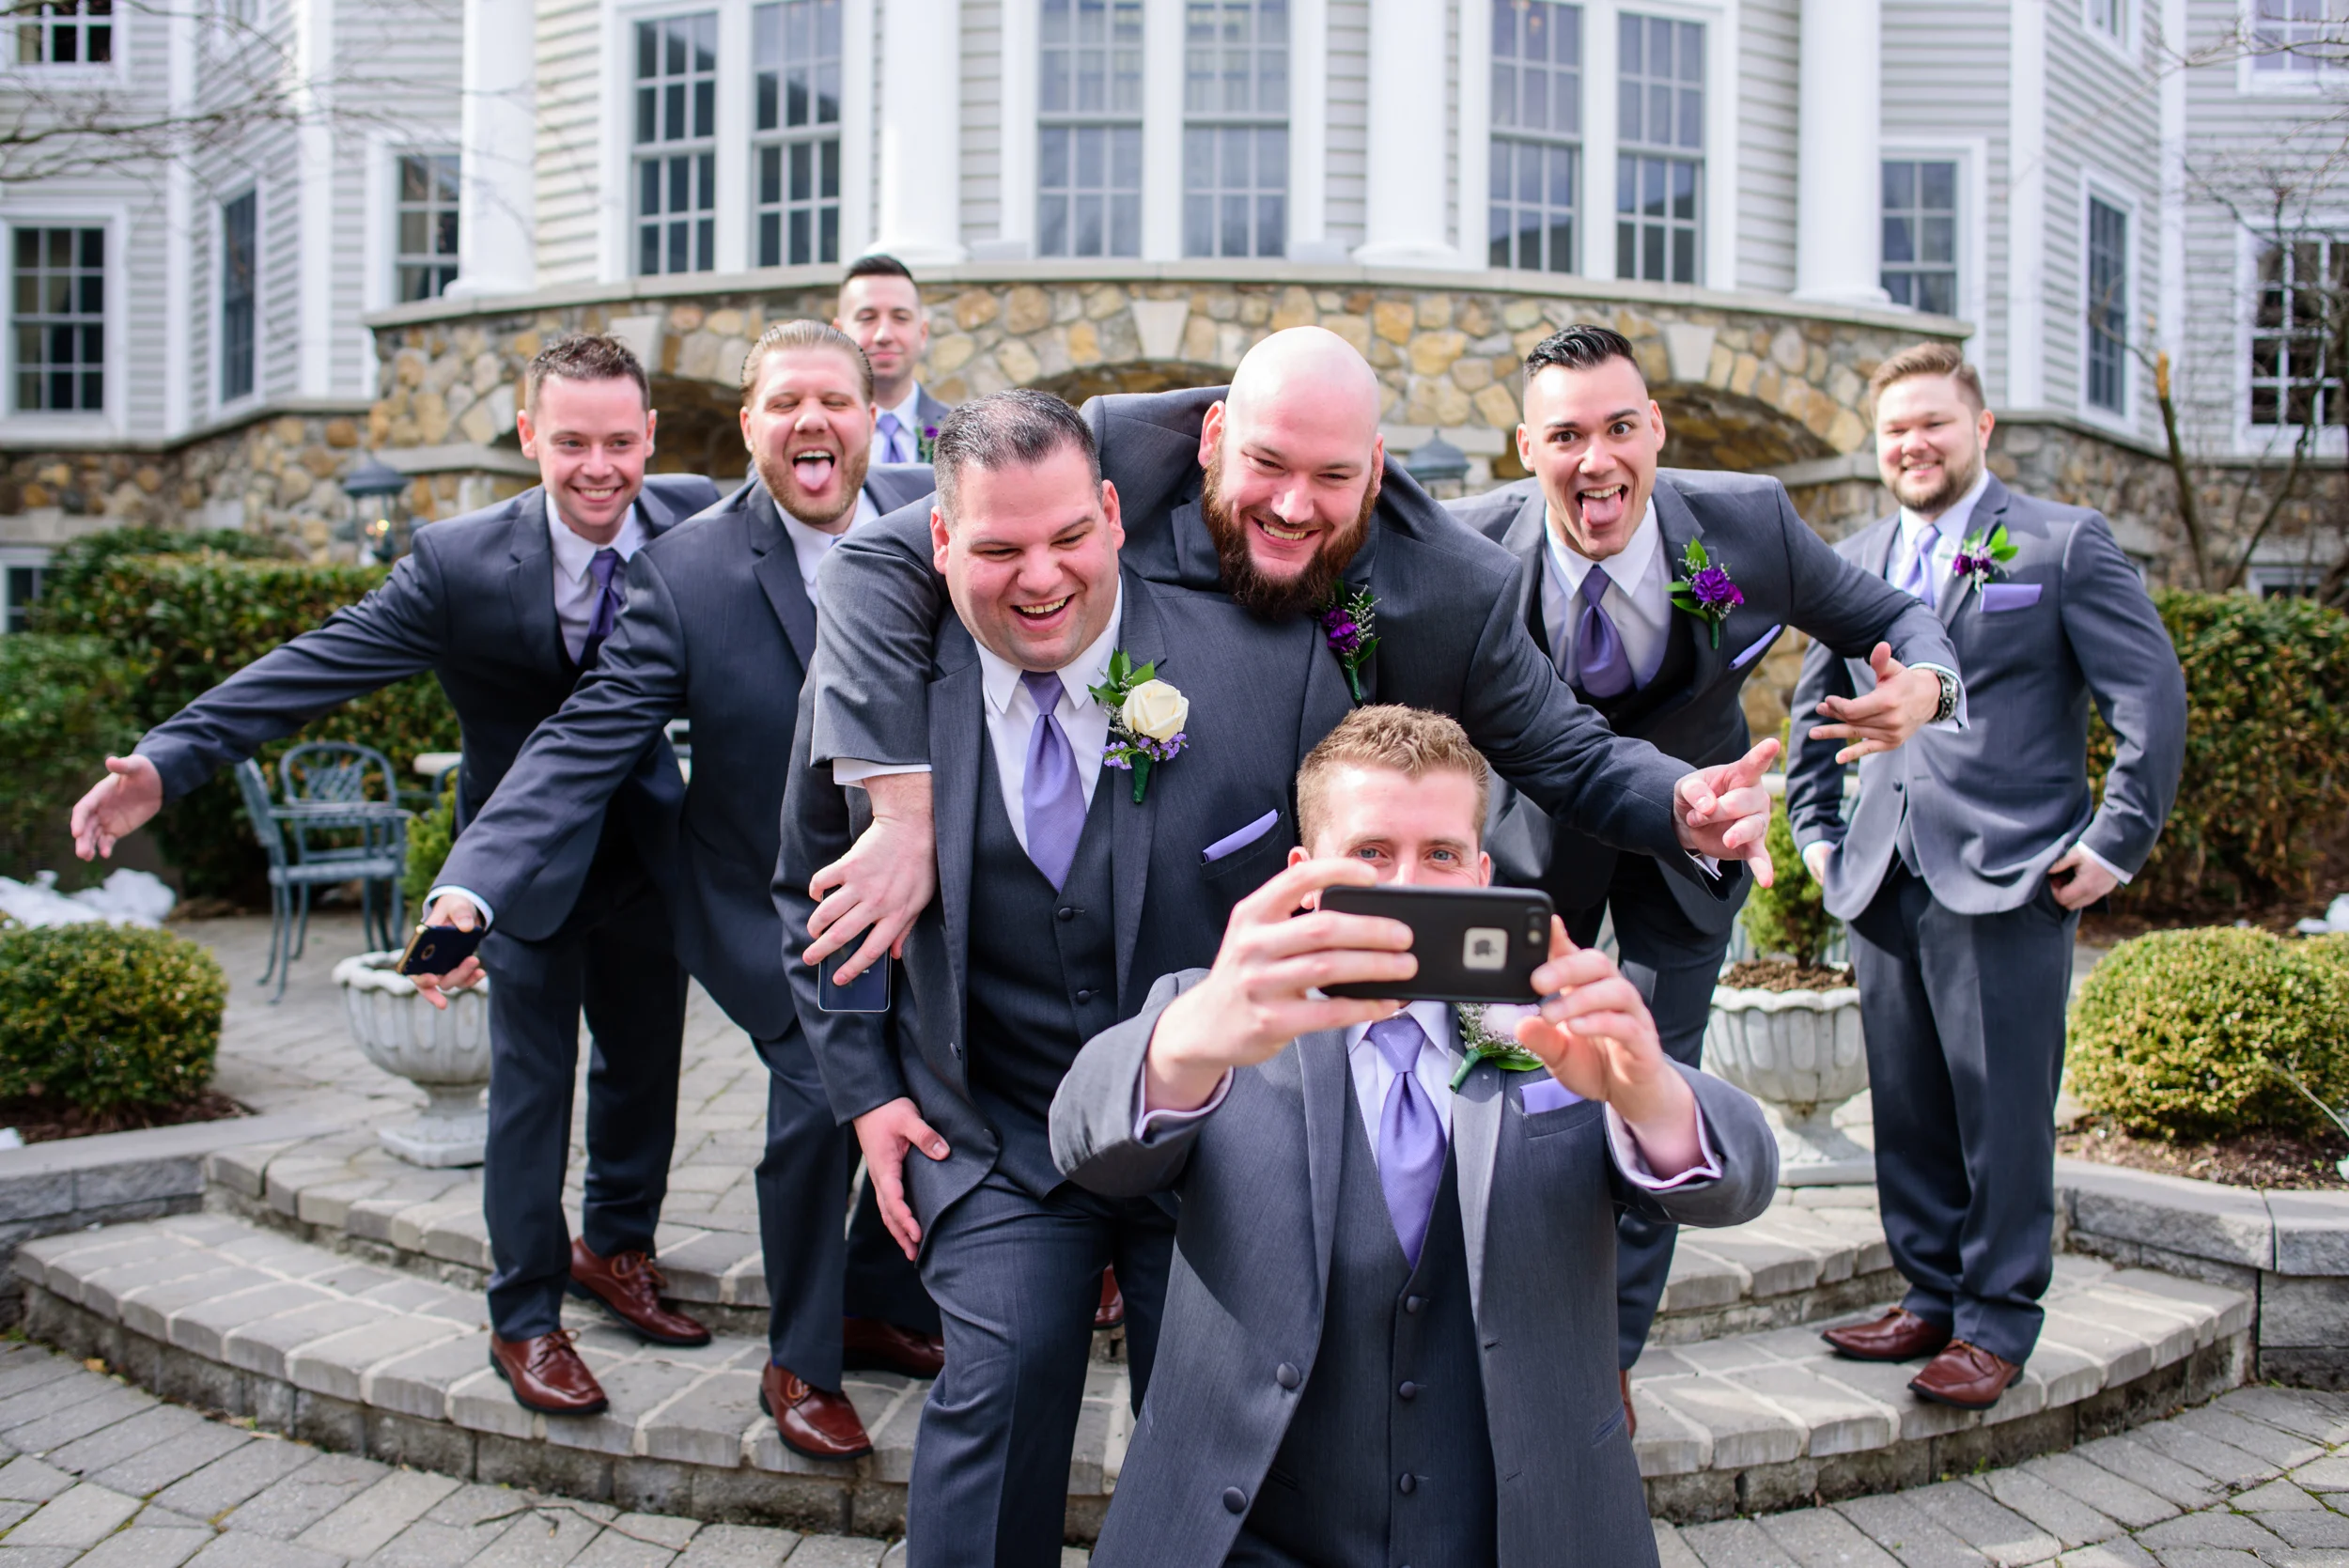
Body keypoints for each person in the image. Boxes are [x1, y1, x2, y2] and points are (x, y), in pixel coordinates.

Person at [66, 334, 717, 1415]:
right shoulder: (459, 563)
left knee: (645, 1068)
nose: (598, 467)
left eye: (618, 441)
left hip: (651, 849)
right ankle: (525, 1315)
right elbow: (316, 663)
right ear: (529, 437)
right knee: (531, 1086)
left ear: (650, 436)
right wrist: (170, 760)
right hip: (513, 867)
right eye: (571, 442)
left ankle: (616, 1249)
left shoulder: (699, 516)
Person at [774, 388, 1357, 1568]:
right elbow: (810, 895)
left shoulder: (1272, 666)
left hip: (1211, 1134)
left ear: (1113, 515)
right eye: (997, 549)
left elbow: (1350, 901)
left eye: (1068, 538)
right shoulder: (885, 688)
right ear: (942, 542)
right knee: (996, 1385)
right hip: (992, 1128)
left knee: (1227, 1424)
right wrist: (867, 1089)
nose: (1040, 578)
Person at [795, 325, 1781, 1004]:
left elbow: (1567, 750)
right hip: (1077, 927)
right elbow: (873, 564)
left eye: (1333, 477)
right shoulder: (1117, 454)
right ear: (1213, 436)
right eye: (1266, 465)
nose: (1294, 506)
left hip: (1315, 958)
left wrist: (1682, 801)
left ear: (1377, 470)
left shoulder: (1451, 590)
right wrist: (903, 811)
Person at [1048, 706, 1778, 1566]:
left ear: (1481, 876)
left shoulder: (1563, 1030)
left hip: (1518, 1537)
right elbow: (1081, 1138)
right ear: (1304, 876)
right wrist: (1183, 1046)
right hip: (1245, 1534)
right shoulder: (1214, 1016)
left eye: (1440, 855)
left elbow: (1745, 1174)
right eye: (1370, 852)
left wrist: (1648, 1093)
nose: (1407, 886)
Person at [413, 321, 941, 1452]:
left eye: (834, 401)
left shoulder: (936, 513)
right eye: (784, 403)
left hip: (916, 883)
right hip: (761, 894)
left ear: (873, 417)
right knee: (825, 1080)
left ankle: (872, 1298)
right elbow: (579, 741)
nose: (811, 421)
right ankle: (800, 1365)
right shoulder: (684, 572)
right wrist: (470, 891)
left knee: (948, 1070)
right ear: (748, 426)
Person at [1449, 323, 1965, 1405]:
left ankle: (1607, 1359)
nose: (1596, 460)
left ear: (1656, 428)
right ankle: (1494, 1331)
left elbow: (1893, 614)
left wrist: (1926, 684)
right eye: (1566, 436)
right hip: (1523, 852)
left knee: (1654, 1089)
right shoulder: (1469, 550)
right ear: (1526, 448)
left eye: (1619, 428)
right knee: (1494, 1084)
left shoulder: (1748, 524)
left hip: (1695, 849)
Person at [1786, 342, 2186, 1410]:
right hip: (1882, 873)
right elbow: (1811, 711)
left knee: (2003, 1110)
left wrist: (2114, 840)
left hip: (2011, 873)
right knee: (1908, 1104)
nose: (1913, 444)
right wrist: (1817, 834)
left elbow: (2149, 697)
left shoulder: (2060, 543)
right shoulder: (1854, 560)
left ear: (1981, 428)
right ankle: (1928, 1293)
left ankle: (1996, 1320)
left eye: (1933, 423)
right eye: (1894, 431)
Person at [834, 253, 950, 464]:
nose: (884, 335)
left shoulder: (960, 434)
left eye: (900, 318)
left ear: (923, 333)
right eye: (867, 318)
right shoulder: (819, 433)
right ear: (839, 333)